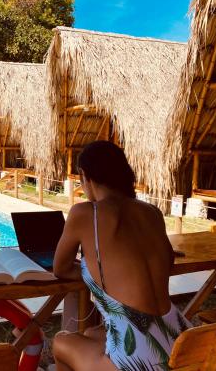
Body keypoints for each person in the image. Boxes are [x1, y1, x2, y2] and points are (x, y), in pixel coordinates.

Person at [53, 141, 191, 371]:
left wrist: (93, 273)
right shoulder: (152, 213)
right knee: (90, 333)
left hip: (138, 361)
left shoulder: (86, 213)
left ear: (84, 175)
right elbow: (167, 260)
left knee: (61, 341)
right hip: (179, 339)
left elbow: (61, 268)